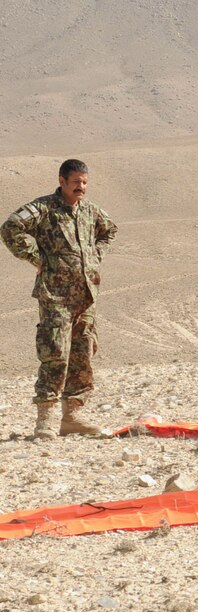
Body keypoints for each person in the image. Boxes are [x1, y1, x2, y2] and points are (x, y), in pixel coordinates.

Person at [1, 159, 117, 440]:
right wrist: (36, 258)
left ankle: (73, 417)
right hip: (55, 295)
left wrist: (94, 256)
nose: (82, 187)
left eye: (85, 182)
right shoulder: (43, 209)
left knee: (82, 353)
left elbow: (109, 230)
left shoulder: (89, 211)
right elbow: (10, 228)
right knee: (55, 353)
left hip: (86, 295)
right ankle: (45, 419)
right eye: (76, 182)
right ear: (62, 181)